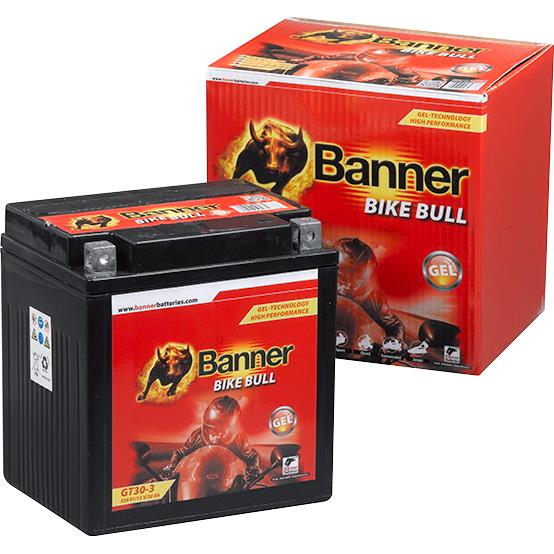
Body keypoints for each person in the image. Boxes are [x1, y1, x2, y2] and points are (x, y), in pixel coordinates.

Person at [163, 395, 262, 482]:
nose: (217, 435)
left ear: (232, 427)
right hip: (197, 480)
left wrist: (254, 469)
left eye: (223, 430)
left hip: (229, 482)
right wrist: (171, 467)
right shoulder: (197, 435)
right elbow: (179, 453)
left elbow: (253, 457)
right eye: (213, 430)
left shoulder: (239, 439)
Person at [335, 237, 405, 340]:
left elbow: (394, 326)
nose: (349, 284)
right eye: (342, 277)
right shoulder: (319, 288)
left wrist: (394, 342)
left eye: (357, 279)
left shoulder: (374, 297)